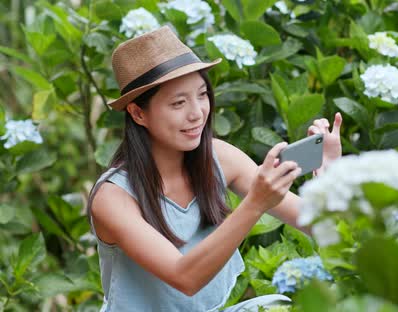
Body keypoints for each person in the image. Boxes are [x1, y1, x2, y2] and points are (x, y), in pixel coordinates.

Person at [87, 26, 343, 312]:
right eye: (178, 103)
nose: (197, 113)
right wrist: (256, 203)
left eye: (201, 95)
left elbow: (319, 225)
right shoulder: (113, 197)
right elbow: (184, 277)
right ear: (138, 113)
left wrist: (331, 180)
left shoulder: (218, 158)